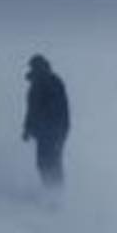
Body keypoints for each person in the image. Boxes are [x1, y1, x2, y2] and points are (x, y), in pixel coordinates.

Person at [22, 54, 70, 187]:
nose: (33, 69)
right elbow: (32, 110)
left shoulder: (53, 82)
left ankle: (55, 191)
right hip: (44, 132)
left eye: (35, 66)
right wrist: (27, 128)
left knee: (52, 161)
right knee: (43, 162)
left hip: (55, 131)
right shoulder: (36, 84)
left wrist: (48, 128)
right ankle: (49, 188)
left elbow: (56, 108)